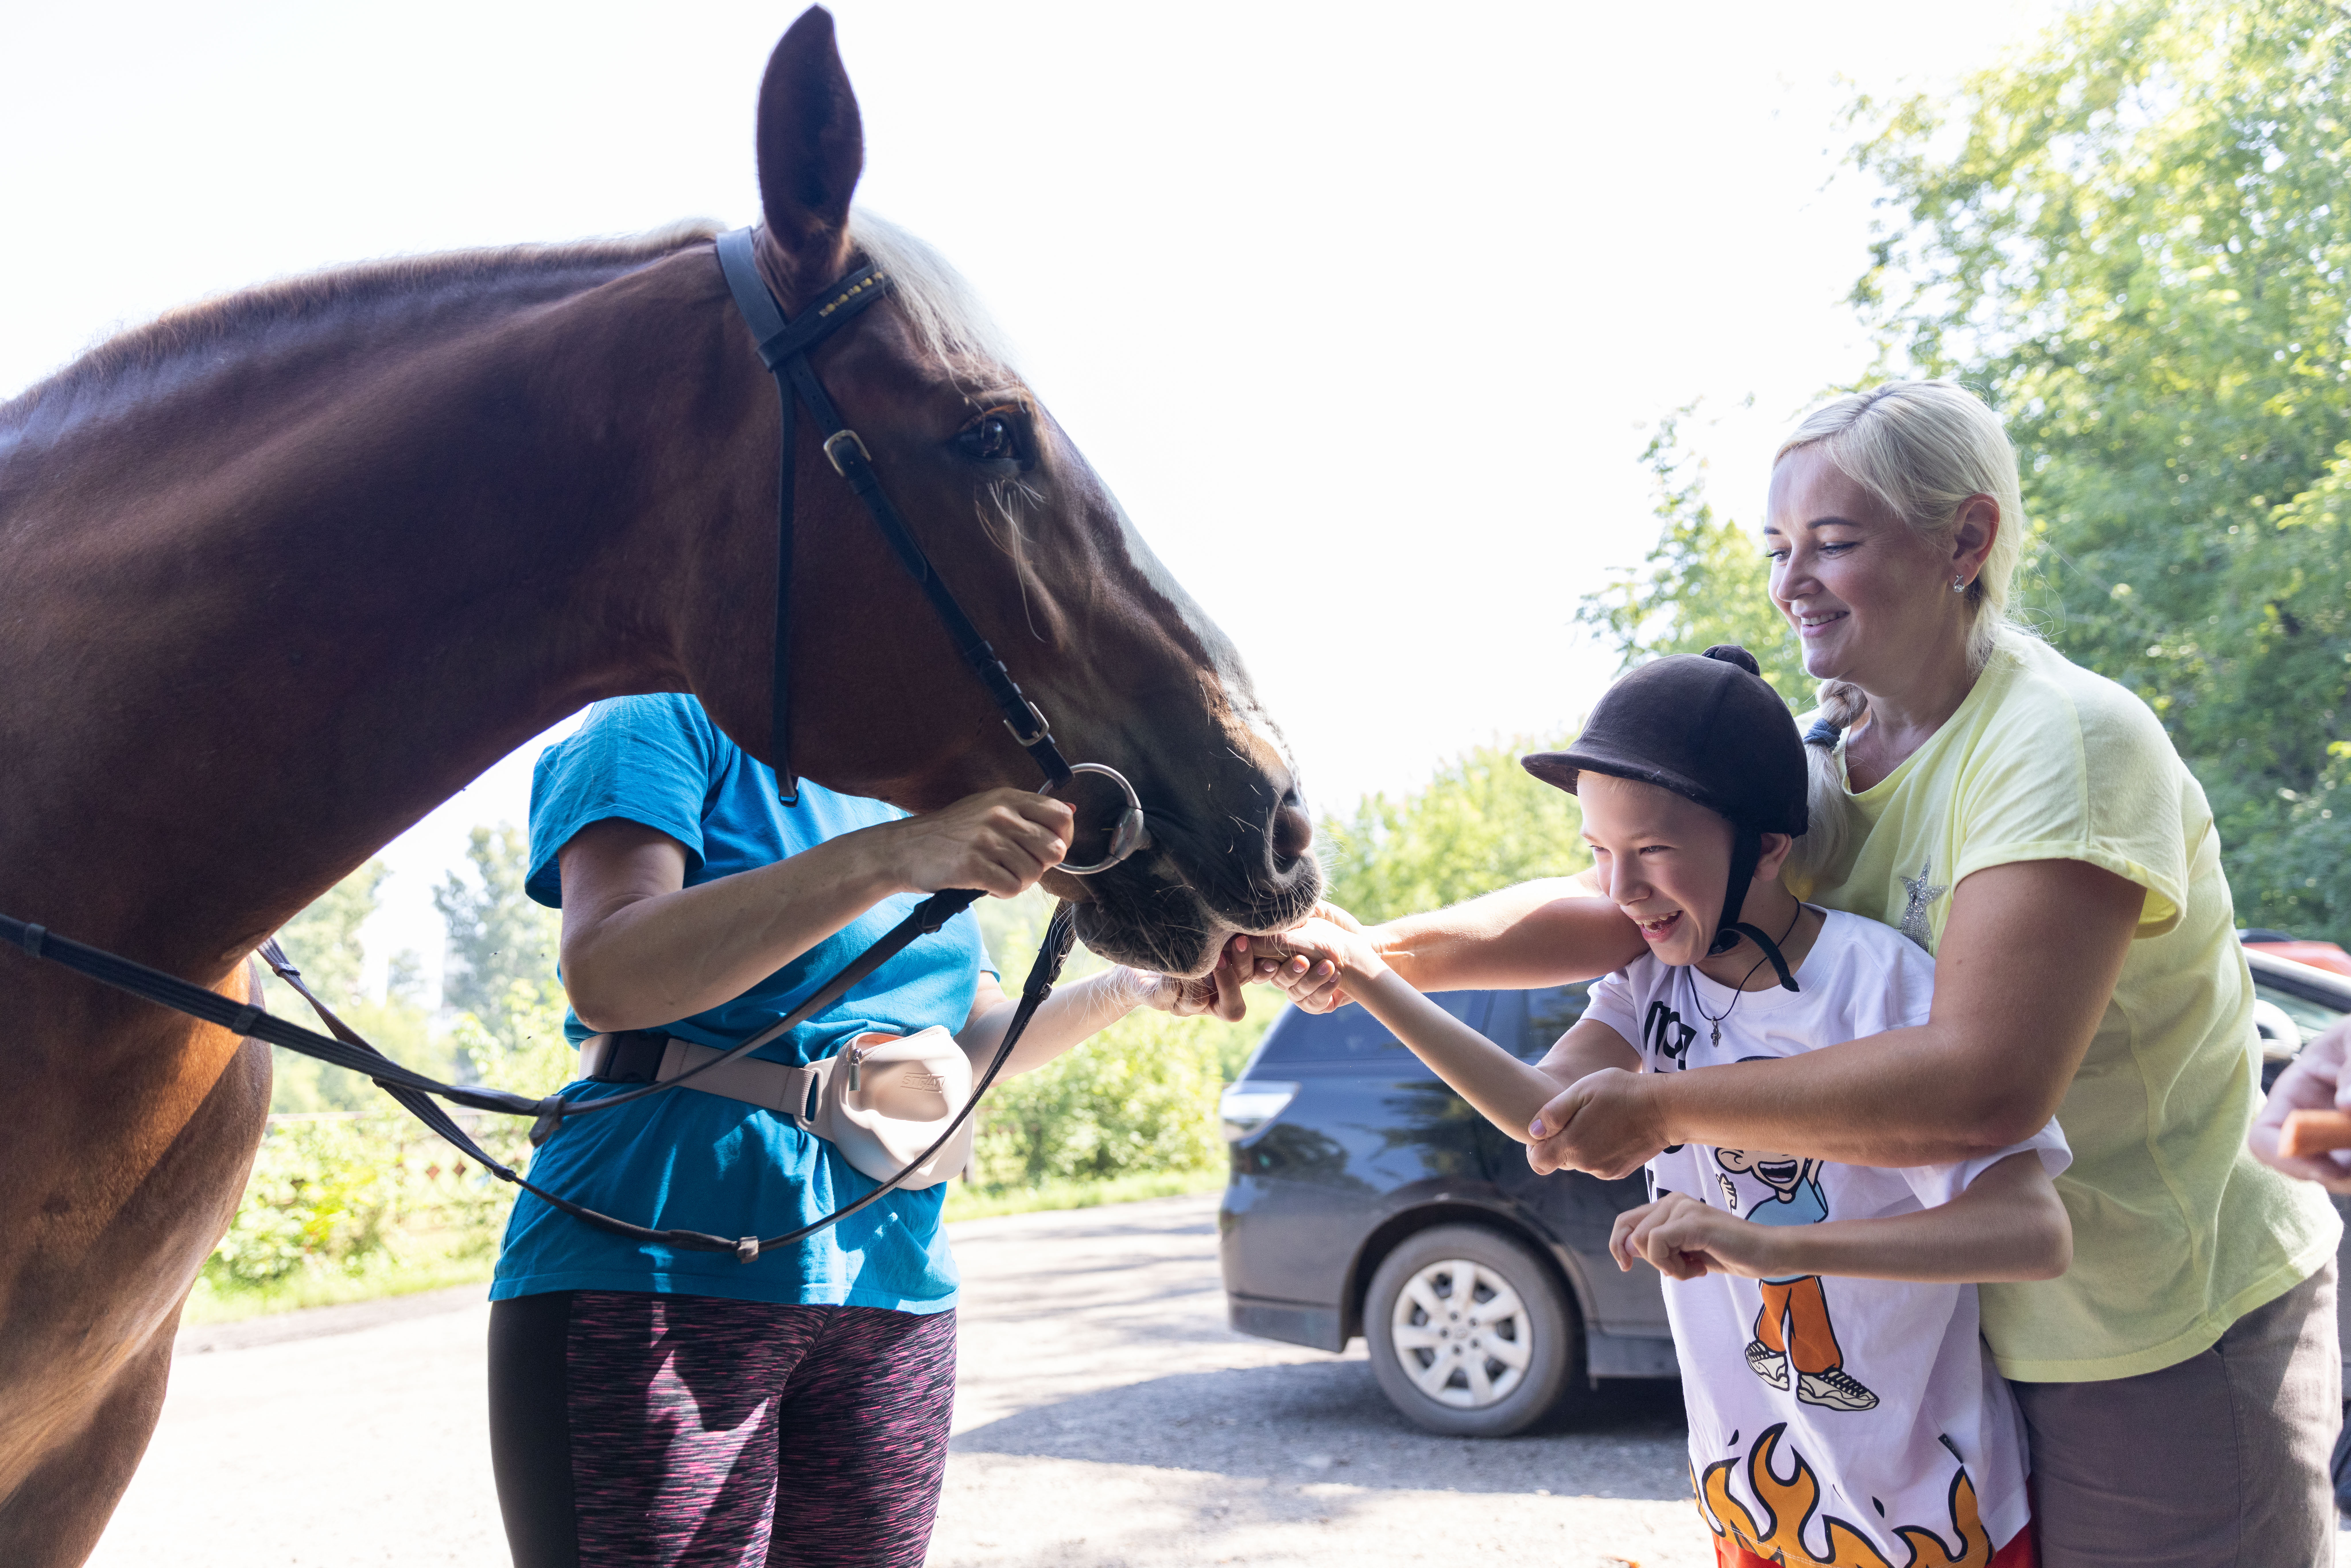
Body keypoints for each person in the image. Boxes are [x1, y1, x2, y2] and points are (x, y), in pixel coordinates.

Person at [1251, 381, 2342, 1564]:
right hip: (1949, 1345)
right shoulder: (1828, 753)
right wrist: (1369, 949)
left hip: (2147, 1330)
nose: (1789, 582)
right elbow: (1623, 902)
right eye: (1779, 548)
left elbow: (1986, 1087)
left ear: (1964, 542)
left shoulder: (2063, 746)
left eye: (1832, 543)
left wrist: (1665, 1113)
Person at [1275, 646, 2068, 1567]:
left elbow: (2031, 1232)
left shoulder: (1875, 983)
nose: (1621, 891)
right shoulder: (1654, 985)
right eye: (1601, 854)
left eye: (1653, 850)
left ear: (1768, 844)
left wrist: (1776, 1248)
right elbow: (1550, 1123)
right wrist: (1372, 977)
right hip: (1759, 1495)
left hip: (1931, 1511)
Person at [484, 692, 1236, 1568]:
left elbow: (972, 1030)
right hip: (653, 1267)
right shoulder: (655, 726)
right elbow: (610, 970)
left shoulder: (906, 790)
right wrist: (893, 857)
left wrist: (1135, 988)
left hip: (894, 1290)